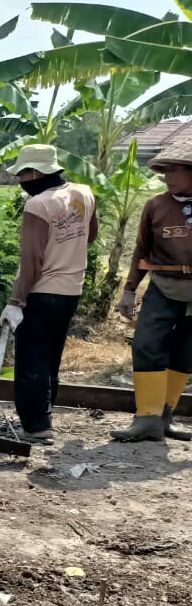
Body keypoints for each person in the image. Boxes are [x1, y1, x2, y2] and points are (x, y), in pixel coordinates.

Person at [0, 145, 98, 444]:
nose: (20, 181)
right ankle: (44, 415)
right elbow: (90, 236)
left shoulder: (38, 204)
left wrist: (16, 301)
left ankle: (37, 426)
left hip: (42, 292)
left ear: (36, 173)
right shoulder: (84, 193)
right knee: (51, 355)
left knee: (31, 357)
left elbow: (31, 260)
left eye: (22, 174)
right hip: (71, 291)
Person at [112, 136, 192, 442]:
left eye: (175, 171)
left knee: (186, 352)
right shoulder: (156, 206)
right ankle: (146, 418)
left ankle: (165, 416)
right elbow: (141, 251)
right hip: (162, 285)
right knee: (145, 343)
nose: (167, 178)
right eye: (165, 172)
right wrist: (130, 289)